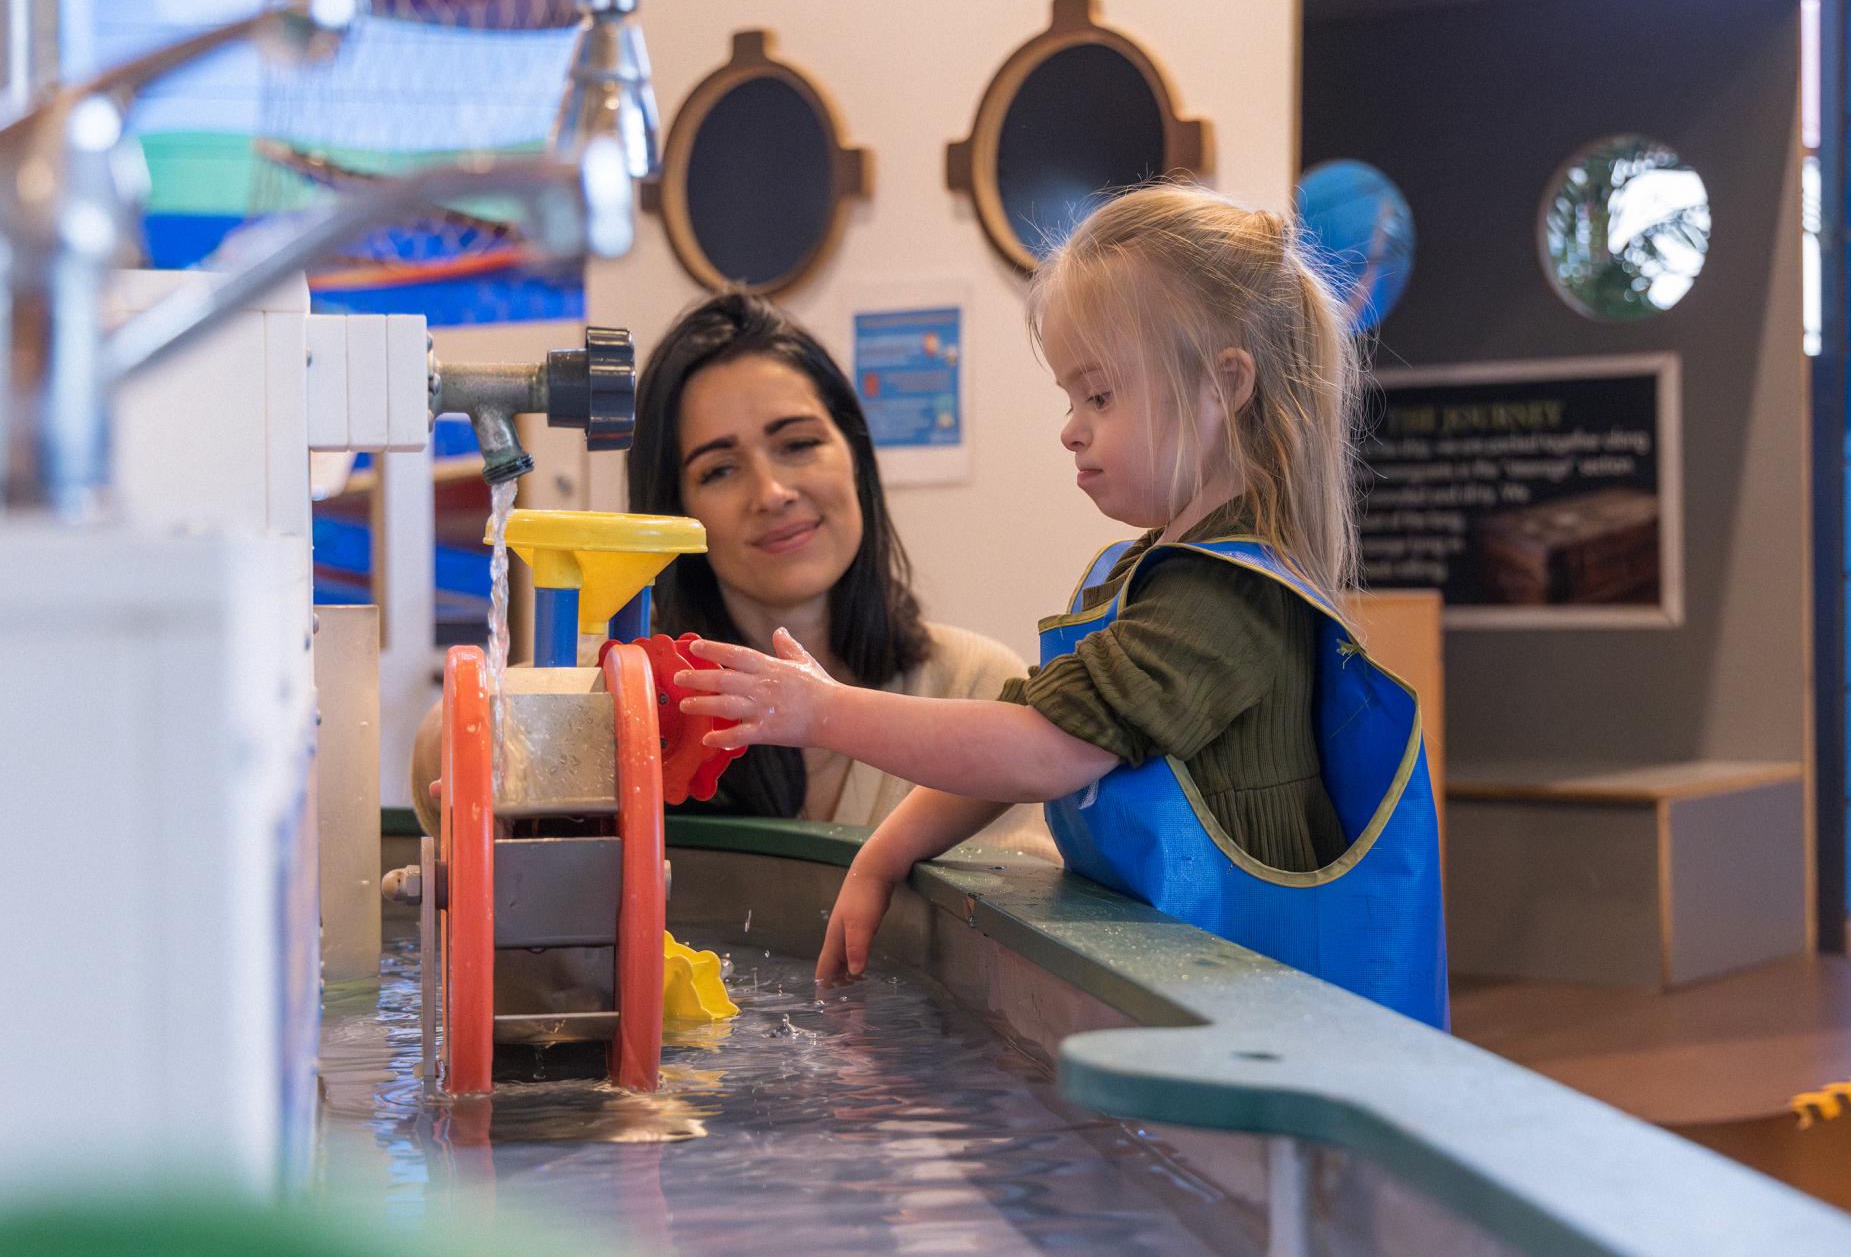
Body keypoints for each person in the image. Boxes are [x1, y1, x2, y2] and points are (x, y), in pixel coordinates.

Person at [672, 186, 1448, 1029]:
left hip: (1260, 1017)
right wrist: (885, 852)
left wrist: (824, 714)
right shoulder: (1154, 573)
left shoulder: (1229, 600)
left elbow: (1046, 752)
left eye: (1100, 397)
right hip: (1188, 1001)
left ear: (1223, 384)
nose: (1071, 430)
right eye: (1069, 400)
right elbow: (1025, 733)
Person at [409, 292, 1055, 861]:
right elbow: (444, 741)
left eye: (799, 443)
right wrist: (510, 745)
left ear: (855, 454)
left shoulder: (979, 686)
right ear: (675, 509)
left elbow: (1025, 918)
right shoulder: (624, 694)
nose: (772, 492)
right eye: (719, 470)